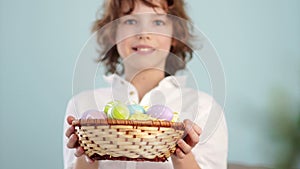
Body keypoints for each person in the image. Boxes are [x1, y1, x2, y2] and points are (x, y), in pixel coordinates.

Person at [64, 0, 228, 169]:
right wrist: (88, 150)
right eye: (130, 21)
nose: (143, 33)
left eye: (158, 22)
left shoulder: (205, 108)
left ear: (175, 36)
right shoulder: (82, 105)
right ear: (113, 33)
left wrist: (181, 154)